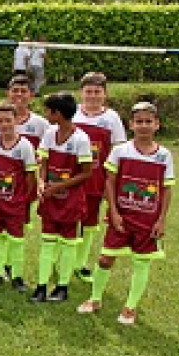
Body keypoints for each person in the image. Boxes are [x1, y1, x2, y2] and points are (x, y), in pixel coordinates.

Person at [78, 102, 174, 325]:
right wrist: (113, 211)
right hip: (121, 216)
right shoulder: (120, 151)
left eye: (148, 121)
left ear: (156, 125)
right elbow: (110, 182)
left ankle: (130, 308)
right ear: (131, 124)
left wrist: (161, 220)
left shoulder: (164, 156)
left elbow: (167, 189)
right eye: (139, 121)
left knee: (141, 263)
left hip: (147, 220)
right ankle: (95, 299)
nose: (143, 126)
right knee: (105, 258)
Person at [31, 92, 93, 303]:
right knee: (47, 242)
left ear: (57, 113)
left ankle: (62, 287)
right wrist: (41, 183)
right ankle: (41, 286)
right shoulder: (50, 133)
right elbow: (44, 162)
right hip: (51, 199)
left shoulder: (81, 139)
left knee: (68, 244)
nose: (46, 114)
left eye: (48, 111)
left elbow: (86, 173)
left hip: (70, 201)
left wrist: (59, 186)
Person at [72, 72, 127, 282]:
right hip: (71, 178)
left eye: (97, 92)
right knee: (66, 219)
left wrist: (111, 182)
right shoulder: (72, 113)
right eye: (88, 91)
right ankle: (62, 261)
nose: (93, 96)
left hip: (96, 180)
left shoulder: (111, 118)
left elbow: (118, 151)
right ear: (81, 92)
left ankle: (80, 263)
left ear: (105, 94)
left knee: (88, 222)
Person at [0, 102, 37, 292]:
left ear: (16, 121)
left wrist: (25, 200)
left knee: (17, 240)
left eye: (8, 120)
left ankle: (17, 275)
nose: (5, 124)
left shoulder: (25, 146)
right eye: (0, 121)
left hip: (15, 203)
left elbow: (30, 175)